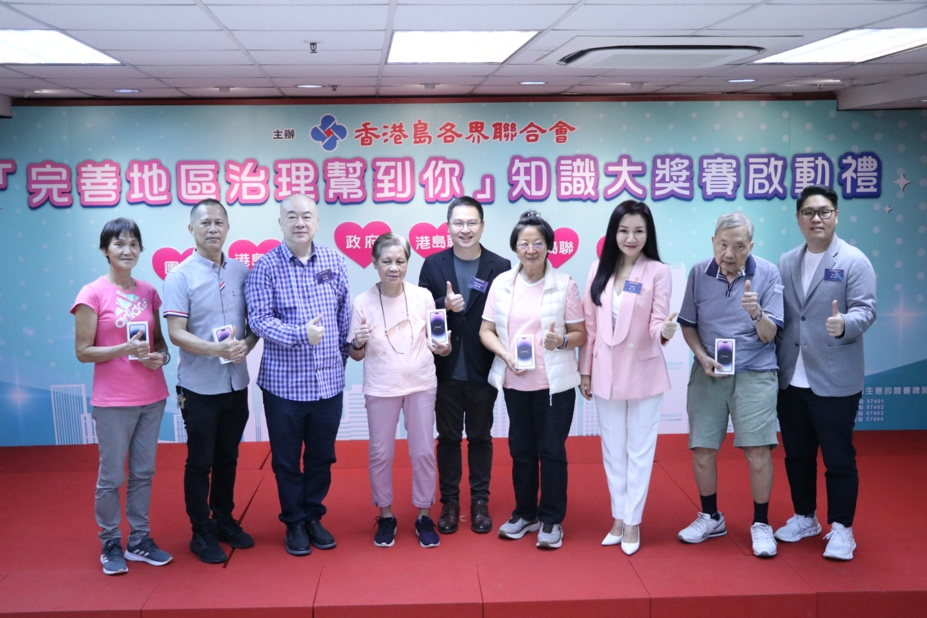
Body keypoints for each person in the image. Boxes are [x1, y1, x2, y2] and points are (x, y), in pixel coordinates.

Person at [774, 185, 877, 561]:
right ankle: (805, 517)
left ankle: (842, 528)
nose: (816, 219)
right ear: (798, 218)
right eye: (808, 212)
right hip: (791, 378)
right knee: (797, 455)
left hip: (834, 379)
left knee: (838, 457)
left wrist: (844, 323)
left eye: (823, 212)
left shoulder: (854, 260)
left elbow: (867, 310)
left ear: (836, 215)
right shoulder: (787, 261)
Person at [245, 194, 351, 556]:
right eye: (292, 216)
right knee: (287, 460)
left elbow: (343, 316)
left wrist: (339, 361)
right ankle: (293, 521)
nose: (300, 223)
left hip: (328, 384)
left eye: (307, 216)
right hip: (284, 386)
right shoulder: (265, 267)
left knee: (322, 457)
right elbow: (259, 320)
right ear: (280, 223)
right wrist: (299, 335)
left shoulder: (335, 260)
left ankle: (313, 516)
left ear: (317, 222)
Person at [676, 212, 784, 558]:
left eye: (739, 246)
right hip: (709, 371)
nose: (729, 253)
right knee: (703, 450)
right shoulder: (698, 273)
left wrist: (756, 313)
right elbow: (688, 324)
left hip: (755, 371)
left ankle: (761, 523)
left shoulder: (768, 272)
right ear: (713, 242)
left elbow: (769, 335)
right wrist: (701, 355)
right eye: (723, 244)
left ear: (750, 246)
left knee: (758, 451)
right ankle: (711, 517)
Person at [479, 210, 587, 550]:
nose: (530, 250)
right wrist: (506, 355)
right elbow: (486, 330)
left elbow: (581, 333)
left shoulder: (565, 284)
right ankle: (525, 513)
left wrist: (562, 341)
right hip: (515, 383)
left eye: (537, 243)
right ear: (515, 247)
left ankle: (551, 519)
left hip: (554, 387)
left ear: (549, 246)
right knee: (521, 451)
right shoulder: (501, 284)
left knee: (551, 451)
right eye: (524, 243)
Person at [72, 217, 173, 576]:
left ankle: (139, 540)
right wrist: (123, 349)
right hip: (113, 401)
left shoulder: (148, 292)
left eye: (133, 244)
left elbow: (160, 342)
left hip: (152, 396)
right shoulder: (92, 293)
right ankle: (111, 541)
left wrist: (160, 358)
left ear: (140, 249)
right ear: (105, 250)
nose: (127, 250)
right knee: (112, 475)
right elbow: (83, 351)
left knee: (143, 472)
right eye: (119, 244)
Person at [579, 200, 678, 556]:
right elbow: (590, 325)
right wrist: (585, 371)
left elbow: (657, 322)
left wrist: (664, 330)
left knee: (639, 450)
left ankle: (633, 520)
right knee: (613, 450)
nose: (631, 238)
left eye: (639, 231)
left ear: (648, 234)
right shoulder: (598, 268)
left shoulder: (658, 272)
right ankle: (618, 517)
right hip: (605, 371)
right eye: (624, 230)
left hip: (643, 371)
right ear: (613, 233)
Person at [162, 198, 259, 564]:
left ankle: (223, 520)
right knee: (200, 461)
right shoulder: (180, 276)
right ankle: (200, 531)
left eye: (219, 222)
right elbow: (176, 333)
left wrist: (246, 345)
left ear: (228, 227)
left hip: (236, 383)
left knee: (228, 457)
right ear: (192, 229)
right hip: (199, 387)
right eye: (205, 223)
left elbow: (254, 325)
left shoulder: (242, 272)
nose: (213, 228)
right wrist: (215, 349)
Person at [348, 234, 452, 548]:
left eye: (400, 261)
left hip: (421, 384)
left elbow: (441, 345)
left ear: (407, 262)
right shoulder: (362, 302)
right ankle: (386, 515)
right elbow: (355, 354)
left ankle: (424, 515)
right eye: (386, 261)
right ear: (374, 263)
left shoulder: (423, 297)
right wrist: (358, 342)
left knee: (423, 452)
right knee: (381, 453)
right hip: (381, 387)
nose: (393, 267)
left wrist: (444, 347)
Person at [418, 196, 511, 535]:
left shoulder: (500, 266)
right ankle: (450, 503)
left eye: (472, 222)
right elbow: (421, 311)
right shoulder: (433, 264)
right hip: (444, 368)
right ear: (448, 227)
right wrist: (444, 304)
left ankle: (480, 502)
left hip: (482, 366)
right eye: (458, 223)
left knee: (481, 437)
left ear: (482, 226)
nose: (465, 229)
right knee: (447, 438)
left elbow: (507, 315)